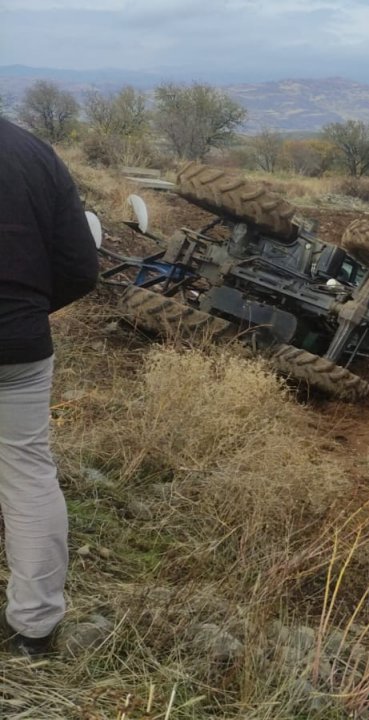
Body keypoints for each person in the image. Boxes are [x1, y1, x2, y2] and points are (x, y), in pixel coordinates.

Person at [0, 117, 100, 656]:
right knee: (28, 473)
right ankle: (33, 629)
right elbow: (82, 267)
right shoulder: (36, 153)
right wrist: (27, 313)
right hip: (20, 348)